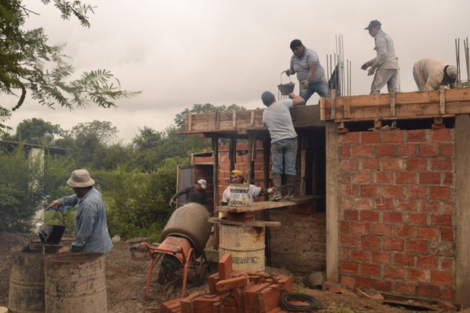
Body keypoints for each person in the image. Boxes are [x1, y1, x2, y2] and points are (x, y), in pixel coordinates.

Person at [48, 169, 113, 254]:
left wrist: (70, 249)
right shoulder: (92, 192)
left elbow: (84, 233)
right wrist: (61, 201)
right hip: (100, 243)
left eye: (73, 187)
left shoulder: (88, 205)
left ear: (79, 189)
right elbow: (75, 198)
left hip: (93, 250)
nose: (72, 189)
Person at [261, 91, 304, 201]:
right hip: (290, 139)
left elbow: (266, 125)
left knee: (276, 167)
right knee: (290, 167)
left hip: (276, 142)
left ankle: (278, 194)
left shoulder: (265, 113)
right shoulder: (283, 103)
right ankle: (291, 194)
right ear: (274, 98)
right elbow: (301, 100)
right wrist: (293, 95)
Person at [286, 39, 329, 104]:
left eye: (296, 49)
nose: (295, 52)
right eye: (293, 50)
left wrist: (308, 80)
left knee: (328, 99)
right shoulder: (293, 58)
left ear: (302, 46)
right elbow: (293, 70)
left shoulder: (310, 53)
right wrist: (290, 71)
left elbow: (313, 68)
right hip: (305, 85)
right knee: (300, 102)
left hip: (319, 82)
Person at [361, 20, 398, 95]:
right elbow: (382, 55)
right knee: (394, 92)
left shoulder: (379, 37)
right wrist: (369, 63)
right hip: (393, 66)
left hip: (386, 66)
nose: (369, 32)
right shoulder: (386, 35)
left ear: (376, 27)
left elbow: (382, 56)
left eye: (370, 29)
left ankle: (374, 106)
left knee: (375, 90)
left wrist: (373, 67)